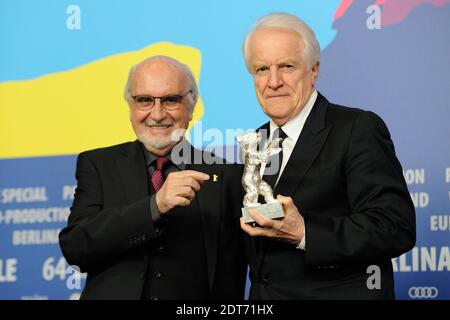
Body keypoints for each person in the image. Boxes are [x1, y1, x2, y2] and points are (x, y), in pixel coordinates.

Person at [239, 12, 416, 299]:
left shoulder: (356, 128)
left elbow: (395, 227)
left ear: (313, 69)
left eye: (286, 66)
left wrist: (304, 232)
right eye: (261, 69)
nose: (273, 82)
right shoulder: (255, 142)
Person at [59, 56, 246, 300]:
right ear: (130, 106)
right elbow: (76, 247)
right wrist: (154, 207)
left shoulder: (228, 175)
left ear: (192, 105)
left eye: (171, 100)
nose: (157, 114)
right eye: (144, 100)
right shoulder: (98, 165)